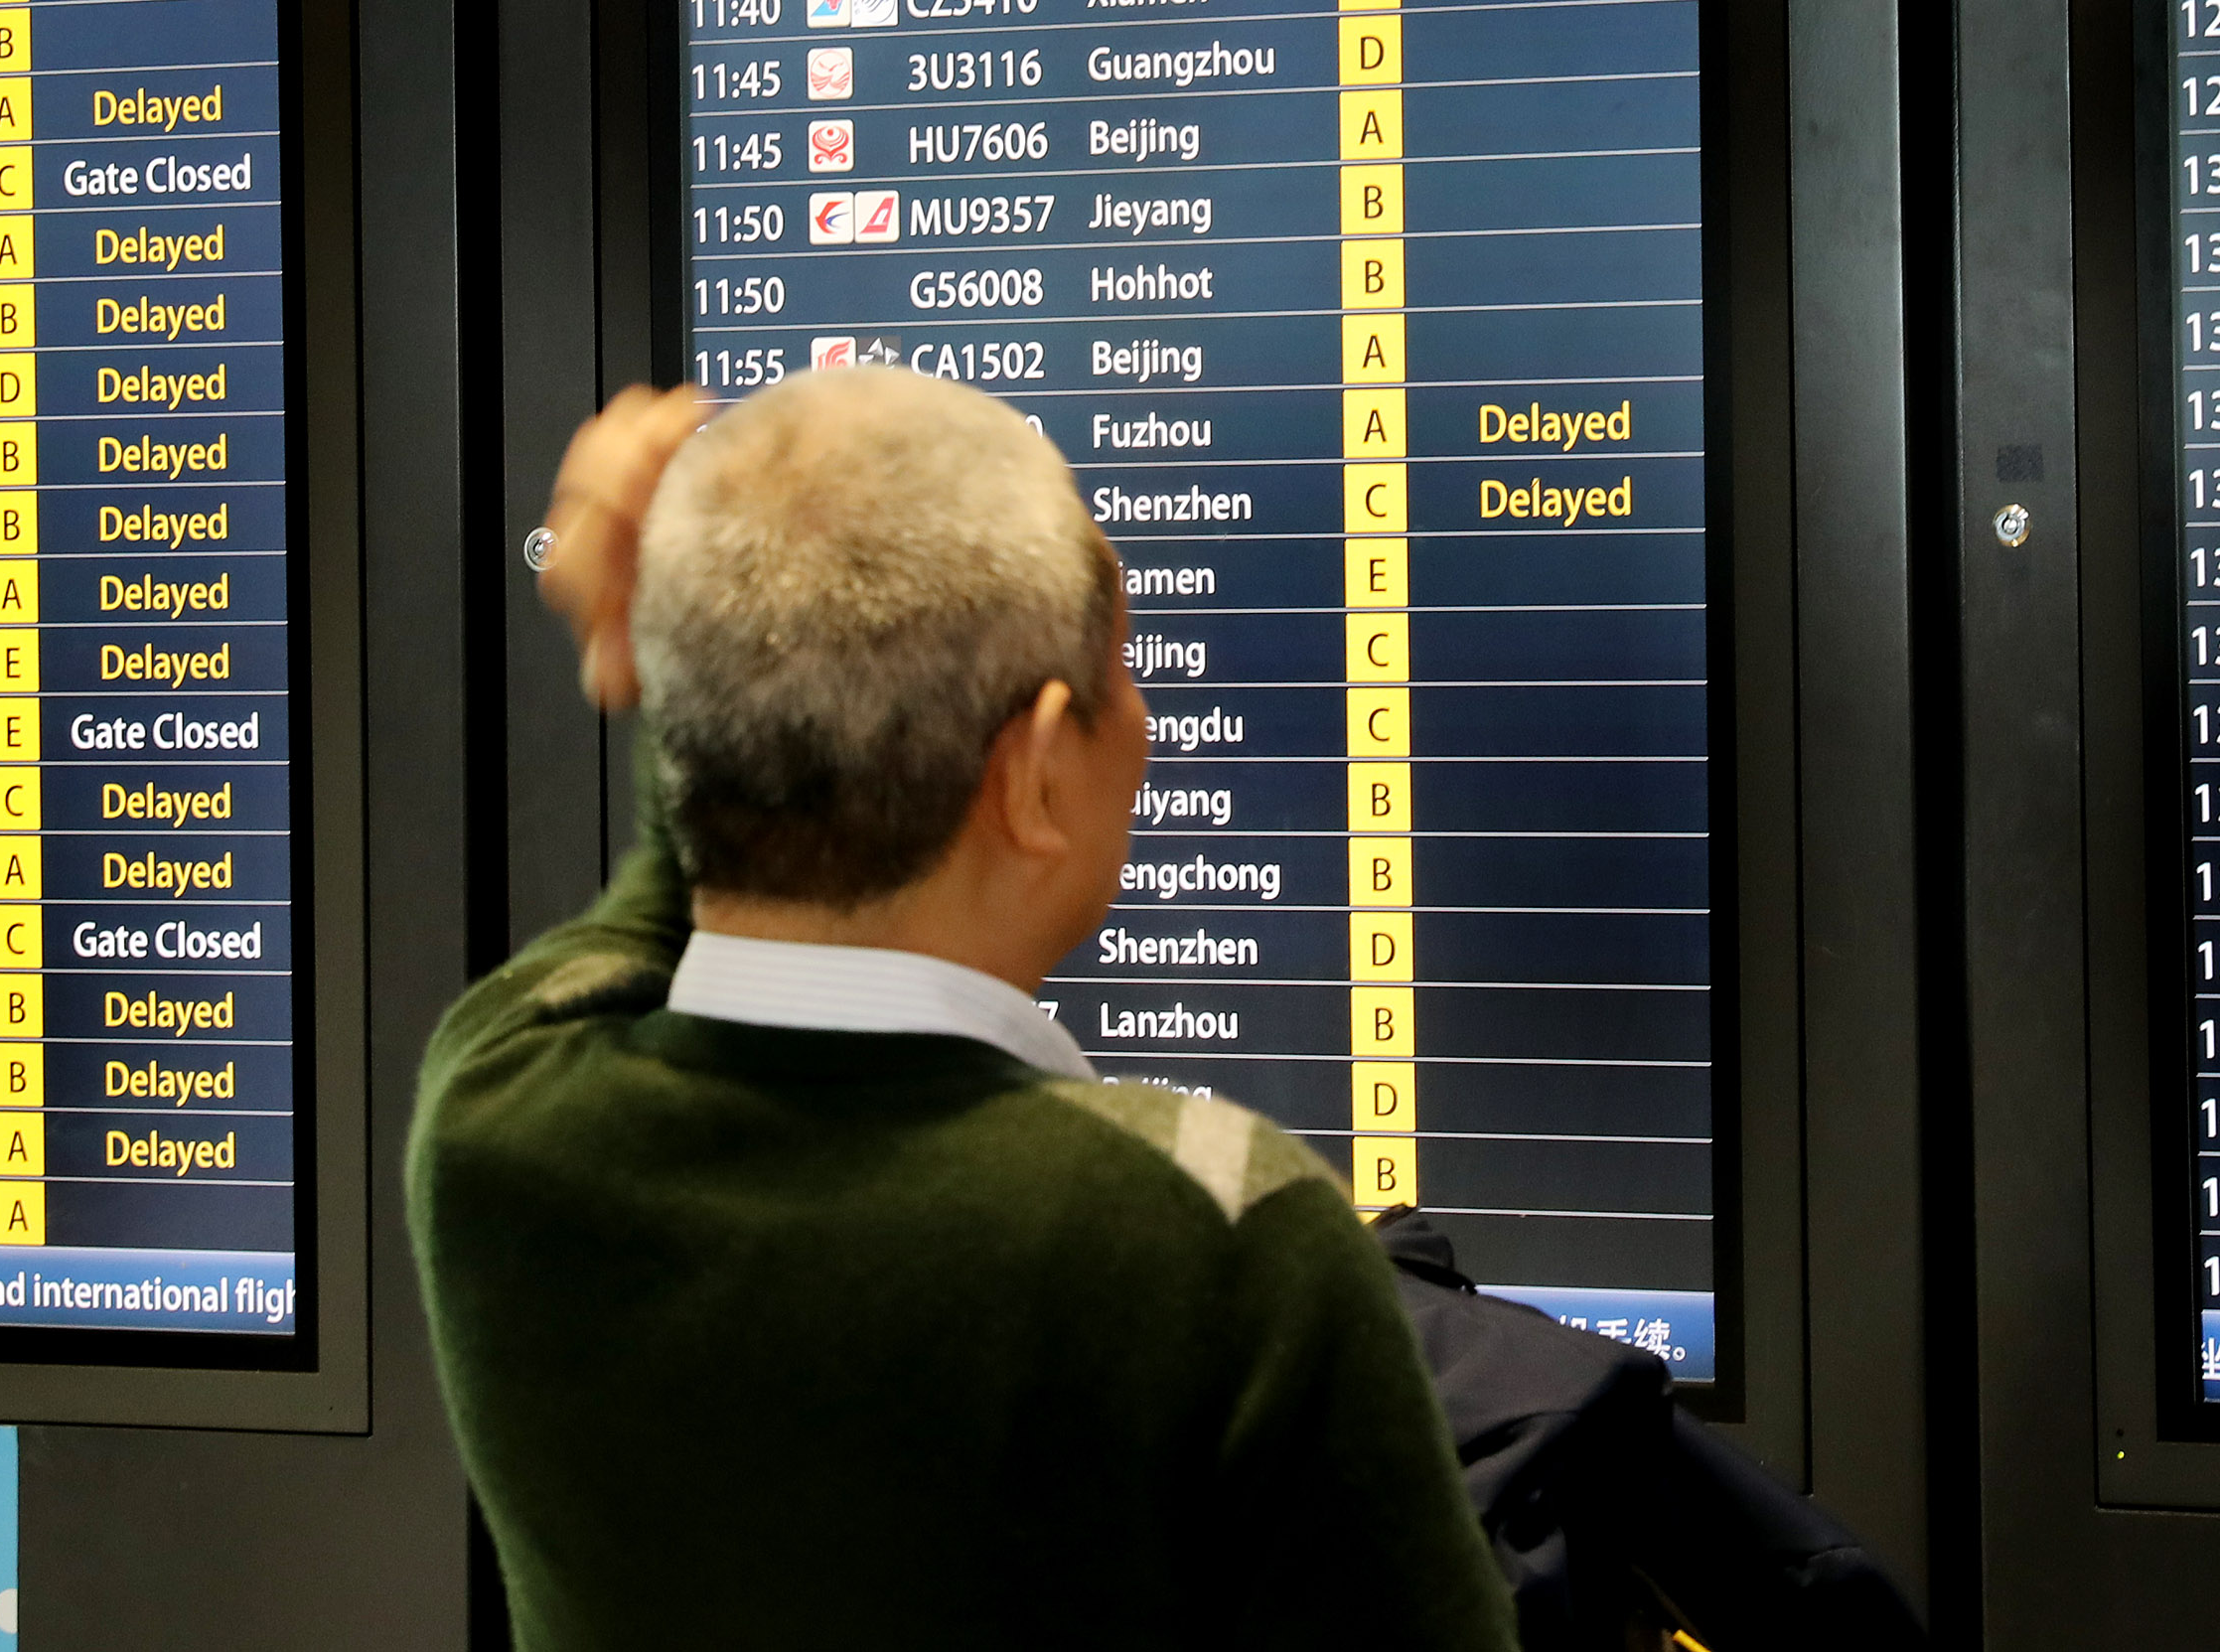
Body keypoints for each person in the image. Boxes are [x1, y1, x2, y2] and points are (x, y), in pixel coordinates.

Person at [408, 368, 1516, 1650]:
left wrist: (681, 632)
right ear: (1034, 771)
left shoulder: (494, 1118)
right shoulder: (1215, 1241)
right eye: (1120, 667)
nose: (1144, 722)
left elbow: (688, 861)